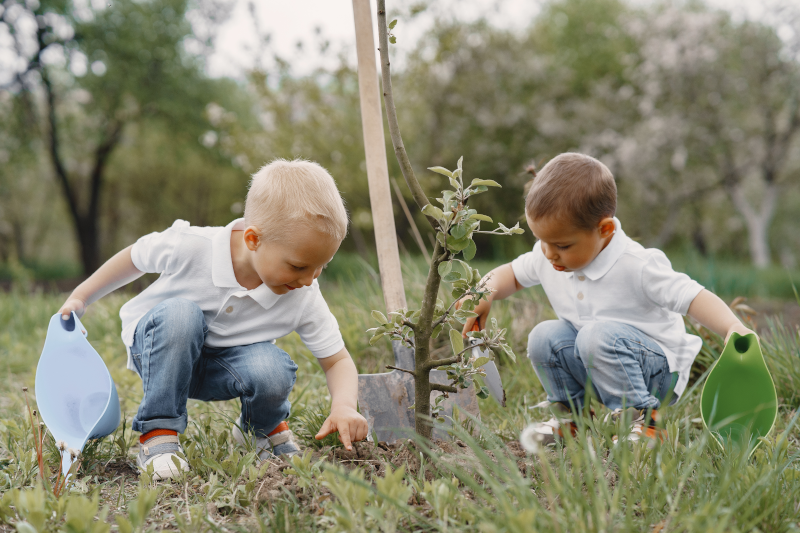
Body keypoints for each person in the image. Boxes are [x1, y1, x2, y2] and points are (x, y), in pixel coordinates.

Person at [59, 159, 368, 480]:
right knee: (182, 314)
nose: (309, 278)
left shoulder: (303, 293)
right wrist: (81, 296)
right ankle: (158, 435)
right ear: (253, 239)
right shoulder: (193, 246)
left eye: (322, 266)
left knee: (273, 367)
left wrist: (344, 405)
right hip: (160, 349)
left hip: (225, 369)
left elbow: (337, 361)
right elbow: (135, 257)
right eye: (299, 266)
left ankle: (259, 430)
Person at [463, 153, 753, 446]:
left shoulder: (637, 265)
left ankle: (647, 424)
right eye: (542, 241)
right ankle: (571, 419)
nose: (549, 254)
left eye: (562, 245)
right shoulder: (548, 255)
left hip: (655, 373)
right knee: (543, 336)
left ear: (605, 230)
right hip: (596, 361)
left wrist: (732, 327)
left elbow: (692, 296)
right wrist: (482, 293)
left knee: (596, 335)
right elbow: (511, 275)